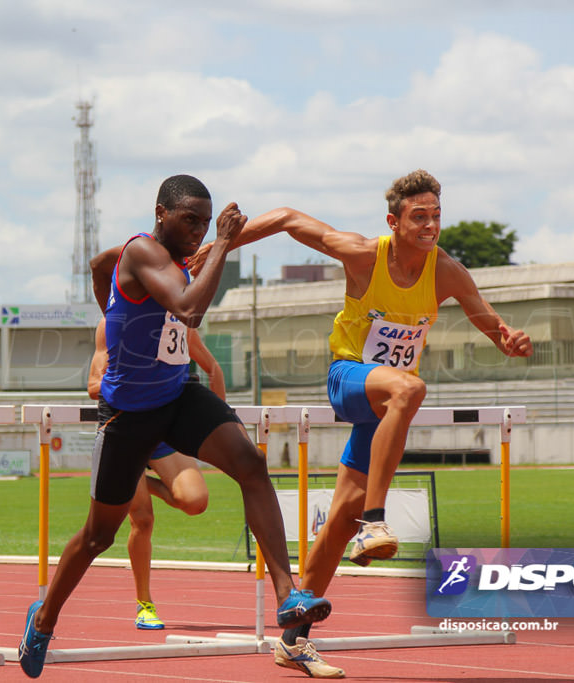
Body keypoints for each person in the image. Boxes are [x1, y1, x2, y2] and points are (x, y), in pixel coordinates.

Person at [191, 169, 533, 678]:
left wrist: (507, 339)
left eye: (436, 215)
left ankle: (294, 638)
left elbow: (487, 319)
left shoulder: (448, 272)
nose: (431, 225)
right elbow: (287, 218)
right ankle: (376, 521)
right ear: (393, 222)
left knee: (338, 520)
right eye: (420, 216)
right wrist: (222, 244)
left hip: (386, 408)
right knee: (411, 387)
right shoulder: (361, 254)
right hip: (350, 377)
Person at [17, 174, 331, 679]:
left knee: (250, 464)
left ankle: (288, 595)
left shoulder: (175, 257)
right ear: (159, 213)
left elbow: (102, 267)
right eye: (190, 220)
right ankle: (45, 616)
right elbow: (189, 309)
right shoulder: (141, 253)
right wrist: (222, 243)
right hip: (128, 415)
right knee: (100, 536)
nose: (198, 231)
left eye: (205, 224)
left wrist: (114, 304)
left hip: (177, 394)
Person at [85, 270, 225, 630]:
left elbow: (214, 369)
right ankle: (144, 604)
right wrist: (129, 377)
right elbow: (92, 385)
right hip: (127, 426)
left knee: (195, 501)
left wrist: (221, 430)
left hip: (164, 431)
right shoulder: (111, 323)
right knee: (141, 519)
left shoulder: (179, 322)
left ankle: (139, 480)